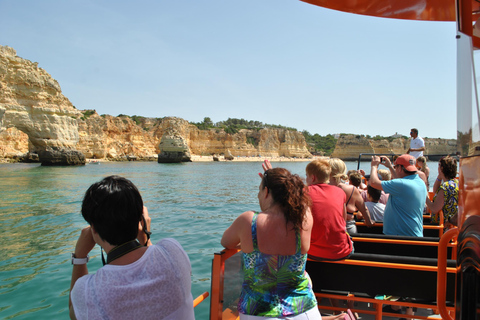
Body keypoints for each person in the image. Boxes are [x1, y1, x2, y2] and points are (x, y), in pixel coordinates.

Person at [69, 176, 194, 320]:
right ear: (140, 220)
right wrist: (145, 238)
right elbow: (158, 266)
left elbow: (74, 314)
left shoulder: (88, 292)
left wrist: (79, 257)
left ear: (94, 230)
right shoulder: (173, 252)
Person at [221, 162, 322, 319]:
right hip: (303, 310)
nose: (258, 195)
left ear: (266, 192)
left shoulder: (249, 221)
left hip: (257, 312)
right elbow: (301, 199)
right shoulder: (304, 218)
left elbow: (226, 242)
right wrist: (279, 181)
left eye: (259, 190)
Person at [306, 158, 354, 261]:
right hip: (341, 252)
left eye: (307, 176)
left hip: (311, 252)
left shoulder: (305, 191)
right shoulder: (340, 192)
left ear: (312, 178)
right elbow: (343, 219)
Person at [369, 154, 427, 237]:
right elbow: (400, 182)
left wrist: (374, 166)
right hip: (413, 233)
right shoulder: (419, 182)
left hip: (401, 235)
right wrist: (390, 167)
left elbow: (373, 183)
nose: (395, 169)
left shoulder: (402, 184)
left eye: (396, 167)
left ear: (400, 168)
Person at [329, 158, 375, 234]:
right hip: (347, 227)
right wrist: (368, 221)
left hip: (326, 227)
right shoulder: (351, 190)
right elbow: (364, 209)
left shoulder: (319, 188)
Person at [426, 156, 459, 228]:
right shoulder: (456, 183)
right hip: (453, 226)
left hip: (443, 227)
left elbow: (434, 209)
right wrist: (440, 176)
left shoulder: (445, 188)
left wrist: (425, 197)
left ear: (442, 168)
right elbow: (435, 191)